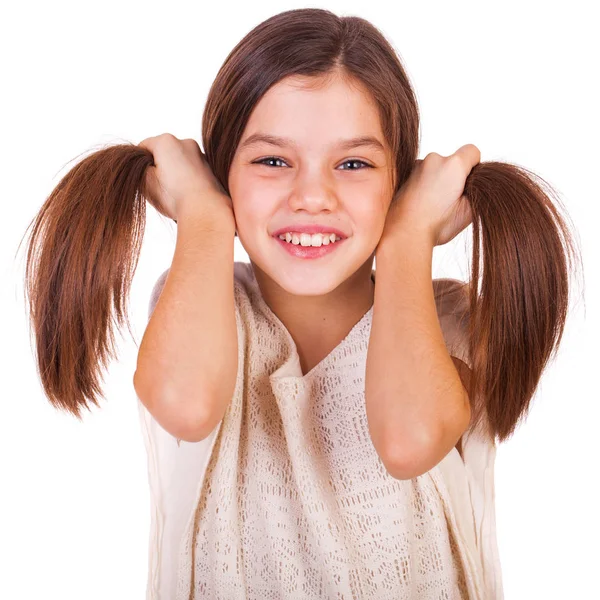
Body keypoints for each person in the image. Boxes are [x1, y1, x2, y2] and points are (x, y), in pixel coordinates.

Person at [20, 7, 581, 600]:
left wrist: (407, 240)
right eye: (272, 161)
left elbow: (409, 440)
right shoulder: (207, 301)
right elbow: (186, 404)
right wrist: (204, 215)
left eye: (354, 163)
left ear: (404, 183)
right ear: (220, 174)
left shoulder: (449, 323)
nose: (313, 195)